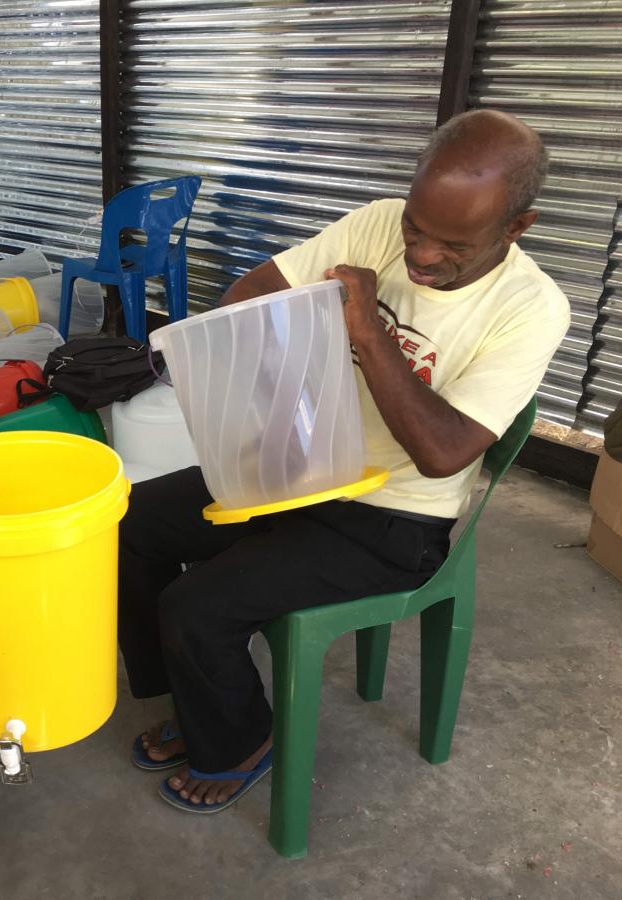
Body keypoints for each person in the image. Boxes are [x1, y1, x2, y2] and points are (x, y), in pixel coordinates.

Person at [120, 109, 570, 814]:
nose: (420, 255)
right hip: (306, 463)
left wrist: (364, 330)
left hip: (395, 519)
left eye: (452, 243)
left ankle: (240, 741)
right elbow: (251, 294)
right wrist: (270, 378)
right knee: (129, 521)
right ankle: (191, 697)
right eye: (415, 229)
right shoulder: (376, 223)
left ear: (516, 227)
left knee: (196, 605)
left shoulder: (533, 309)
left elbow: (442, 453)